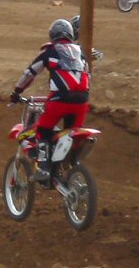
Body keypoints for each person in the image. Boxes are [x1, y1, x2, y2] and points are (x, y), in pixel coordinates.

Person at [9, 18, 91, 184]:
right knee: (70, 132)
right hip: (82, 101)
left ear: (52, 35)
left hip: (59, 100)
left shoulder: (50, 51)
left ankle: (44, 168)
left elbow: (29, 74)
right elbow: (88, 75)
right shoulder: (80, 53)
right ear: (70, 34)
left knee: (42, 131)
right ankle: (70, 166)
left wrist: (16, 92)